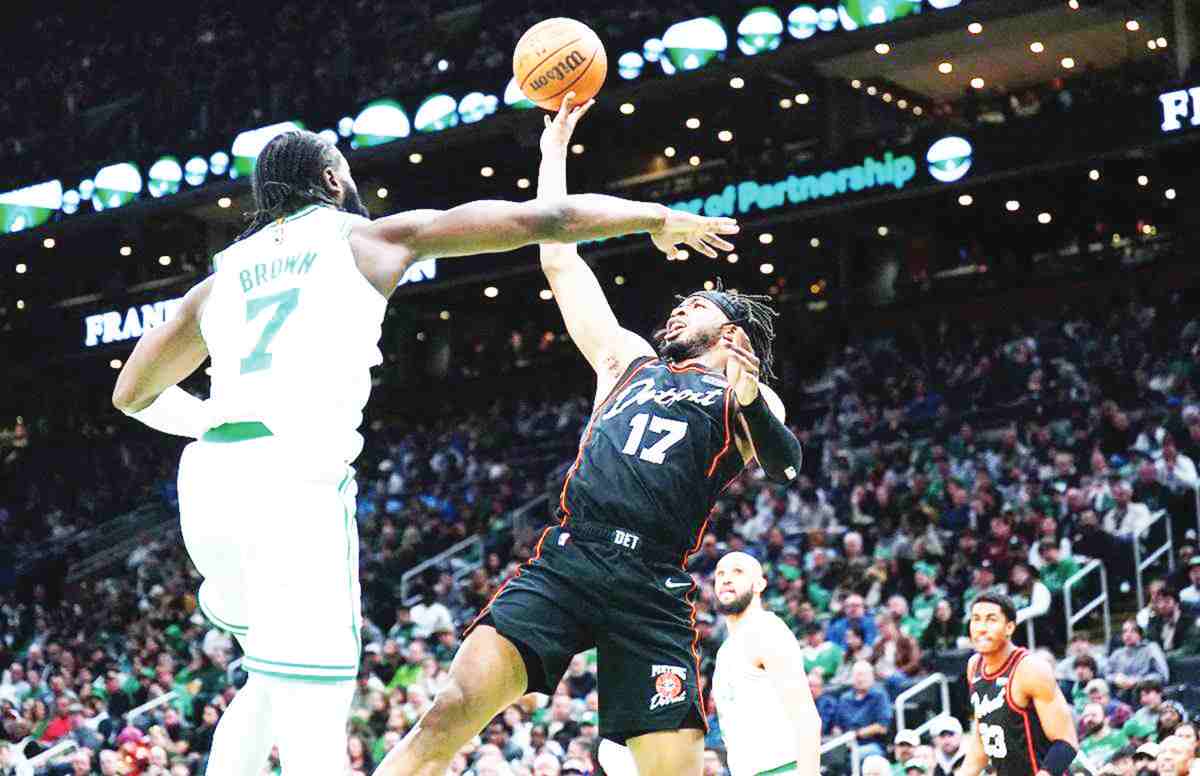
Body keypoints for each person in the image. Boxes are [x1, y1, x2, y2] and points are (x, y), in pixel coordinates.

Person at [113, 103, 737, 776]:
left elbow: (131, 392)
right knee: (314, 714)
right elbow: (545, 222)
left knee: (267, 675)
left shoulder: (222, 275)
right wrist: (656, 217)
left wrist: (212, 421)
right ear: (330, 179)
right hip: (292, 483)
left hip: (208, 483)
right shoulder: (364, 239)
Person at [375, 95, 775, 776]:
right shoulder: (626, 360)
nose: (678, 309)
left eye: (695, 305)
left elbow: (774, 430)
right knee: (451, 706)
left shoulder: (744, 396)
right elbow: (559, 257)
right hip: (569, 559)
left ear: (732, 332)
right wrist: (551, 154)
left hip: (650, 584)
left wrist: (747, 388)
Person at [710, 552, 821, 775]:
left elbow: (806, 717)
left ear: (759, 584)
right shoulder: (725, 650)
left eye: (738, 571)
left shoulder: (767, 630)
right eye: (720, 573)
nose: (726, 578)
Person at [956, 592, 1079, 776]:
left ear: (1009, 627)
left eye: (991, 620)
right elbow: (982, 741)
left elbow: (1067, 742)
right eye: (976, 619)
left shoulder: (1030, 668)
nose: (981, 628)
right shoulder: (974, 666)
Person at [831, 661, 893, 763]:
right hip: (845, 744)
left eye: (863, 675)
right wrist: (838, 737)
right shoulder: (844, 698)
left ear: (872, 677)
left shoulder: (879, 696)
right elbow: (837, 726)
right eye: (856, 675)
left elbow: (882, 727)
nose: (860, 679)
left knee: (853, 757)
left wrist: (856, 734)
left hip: (871, 744)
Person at [1079, 702, 1131, 766]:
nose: (1089, 719)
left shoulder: (1119, 736)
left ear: (1106, 718)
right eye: (1086, 716)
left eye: (1094, 715)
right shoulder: (1083, 745)